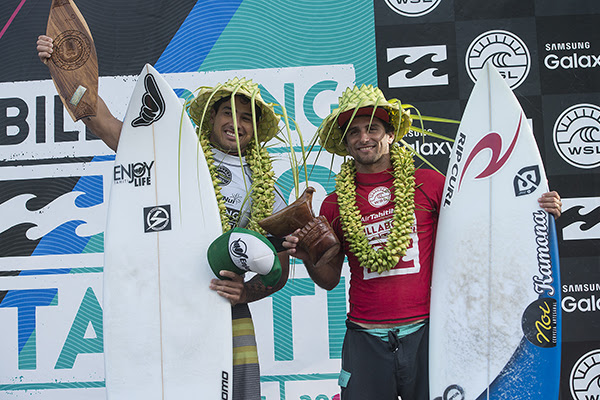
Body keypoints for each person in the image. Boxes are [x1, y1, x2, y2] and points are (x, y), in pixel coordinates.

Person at [37, 34, 290, 400]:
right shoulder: (174, 154)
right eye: (228, 113)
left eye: (247, 118)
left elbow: (279, 265)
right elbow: (102, 121)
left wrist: (245, 293)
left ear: (255, 130)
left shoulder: (267, 186)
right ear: (211, 117)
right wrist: (61, 67)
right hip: (161, 305)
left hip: (224, 310)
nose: (237, 123)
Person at [283, 84, 562, 400]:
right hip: (365, 336)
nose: (364, 138)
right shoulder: (333, 204)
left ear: (390, 134)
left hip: (429, 333)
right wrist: (307, 256)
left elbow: (482, 229)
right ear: (346, 144)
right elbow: (330, 279)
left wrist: (535, 208)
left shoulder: (430, 183)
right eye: (354, 132)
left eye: (372, 128)